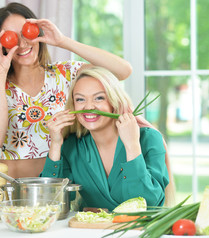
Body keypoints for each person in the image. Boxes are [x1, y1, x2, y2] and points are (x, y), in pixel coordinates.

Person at [0, 2, 132, 178]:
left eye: (26, 33)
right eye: (11, 38)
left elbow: (123, 71)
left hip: (58, 186)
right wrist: (0, 74)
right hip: (11, 189)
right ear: (0, 44)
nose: (22, 44)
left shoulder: (64, 74)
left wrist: (63, 41)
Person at [40, 66, 169, 211]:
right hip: (92, 231)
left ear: (115, 101)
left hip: (140, 231)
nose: (88, 106)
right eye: (80, 99)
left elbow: (148, 202)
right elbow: (50, 202)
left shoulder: (149, 138)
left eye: (99, 98)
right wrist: (56, 144)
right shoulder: (71, 145)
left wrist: (132, 146)